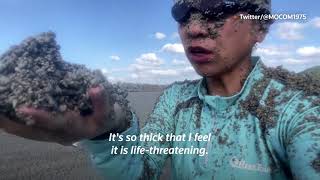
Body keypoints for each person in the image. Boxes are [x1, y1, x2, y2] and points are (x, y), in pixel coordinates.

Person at [0, 0, 319, 179]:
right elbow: (143, 170)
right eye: (182, 14)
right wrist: (107, 130)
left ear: (260, 27)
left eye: (217, 8)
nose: (194, 28)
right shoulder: (176, 100)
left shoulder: (299, 111)